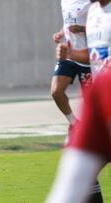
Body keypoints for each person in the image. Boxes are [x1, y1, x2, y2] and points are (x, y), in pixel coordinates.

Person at [46, 0, 111, 202]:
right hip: (101, 100)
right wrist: (71, 54)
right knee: (78, 169)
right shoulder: (93, 12)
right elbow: (94, 55)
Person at [51, 0, 92, 135]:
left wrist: (81, 29)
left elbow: (101, 25)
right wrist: (60, 33)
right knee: (56, 91)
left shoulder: (92, 2)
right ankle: (74, 123)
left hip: (85, 57)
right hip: (67, 55)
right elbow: (67, 23)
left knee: (92, 103)